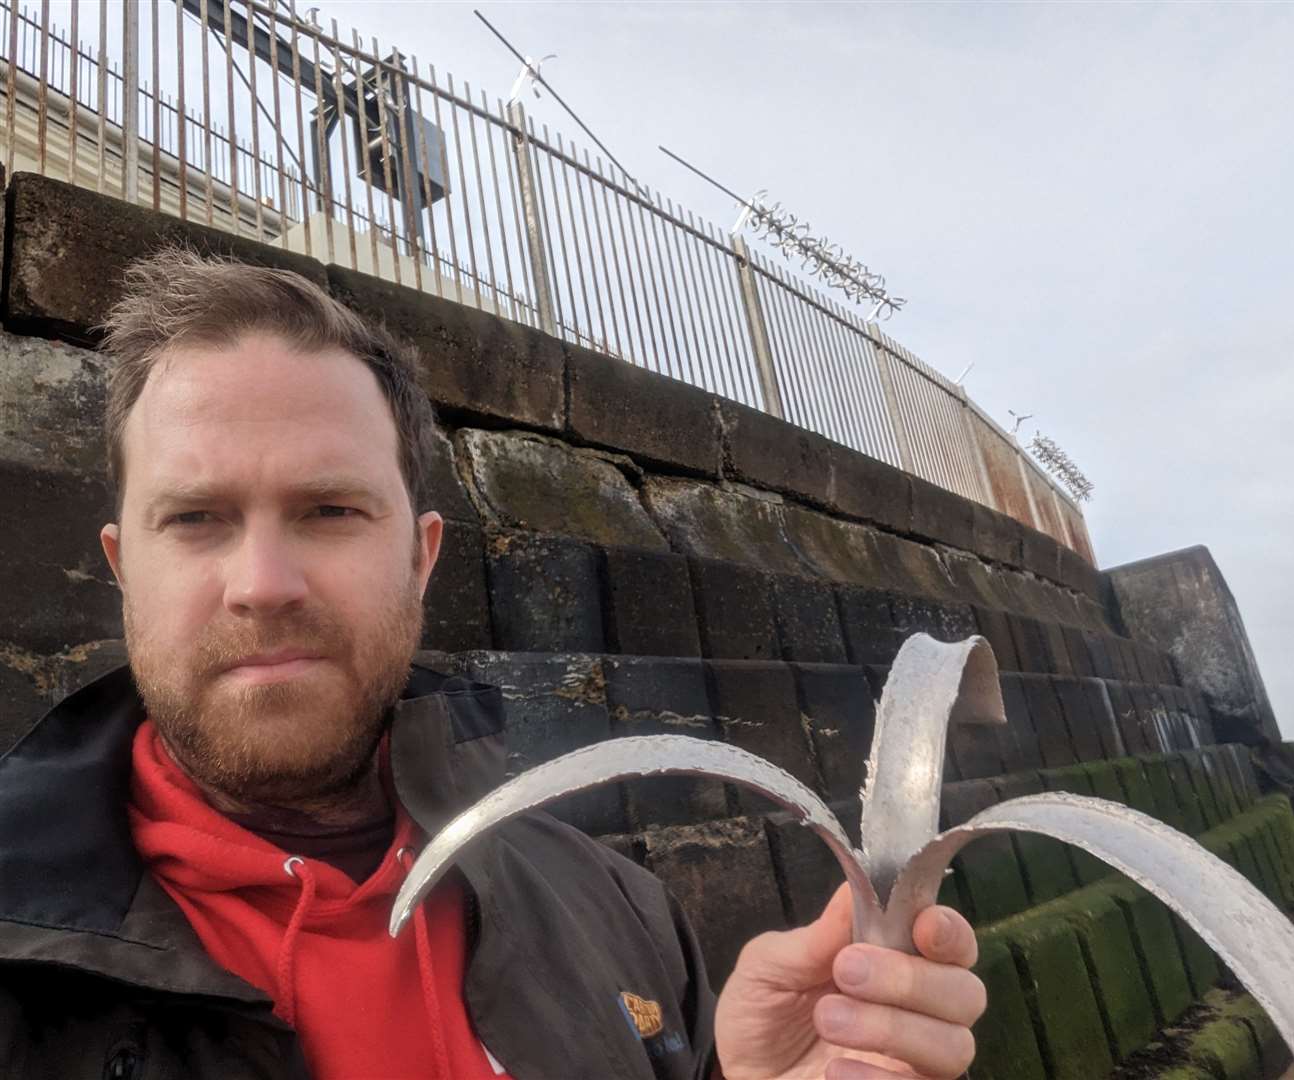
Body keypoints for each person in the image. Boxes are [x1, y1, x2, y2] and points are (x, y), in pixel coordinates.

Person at [0, 248, 986, 1080]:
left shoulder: (621, 910)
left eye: (330, 511)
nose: (263, 584)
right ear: (124, 568)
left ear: (422, 557)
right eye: (196, 519)